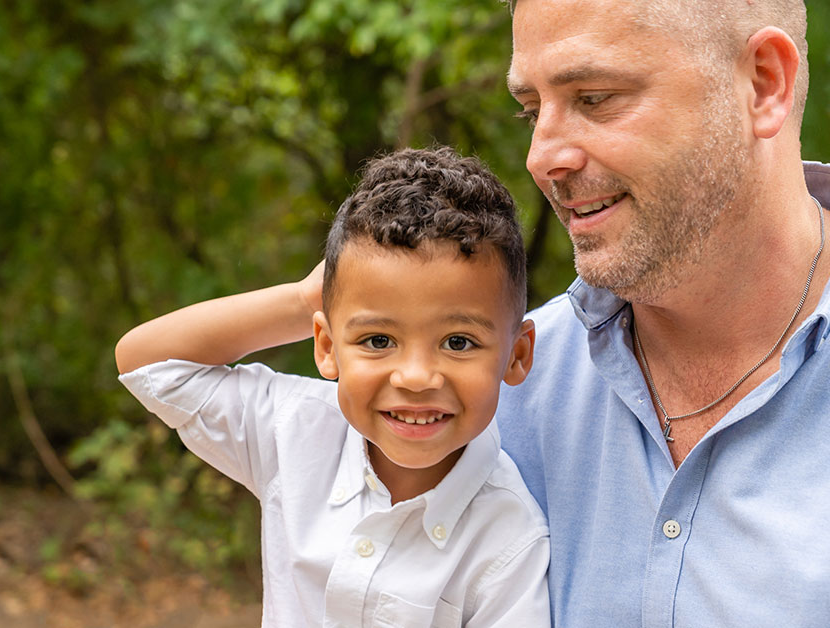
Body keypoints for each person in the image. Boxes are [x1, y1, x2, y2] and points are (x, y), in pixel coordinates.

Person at [497, 0, 830, 626]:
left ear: (763, 83)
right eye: (532, 110)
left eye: (595, 97)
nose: (543, 157)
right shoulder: (498, 386)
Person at [115, 146, 550, 627]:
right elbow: (147, 362)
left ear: (517, 355)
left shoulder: (509, 538)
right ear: (326, 346)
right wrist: (303, 301)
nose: (416, 377)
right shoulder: (296, 429)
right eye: (379, 339)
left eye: (459, 342)